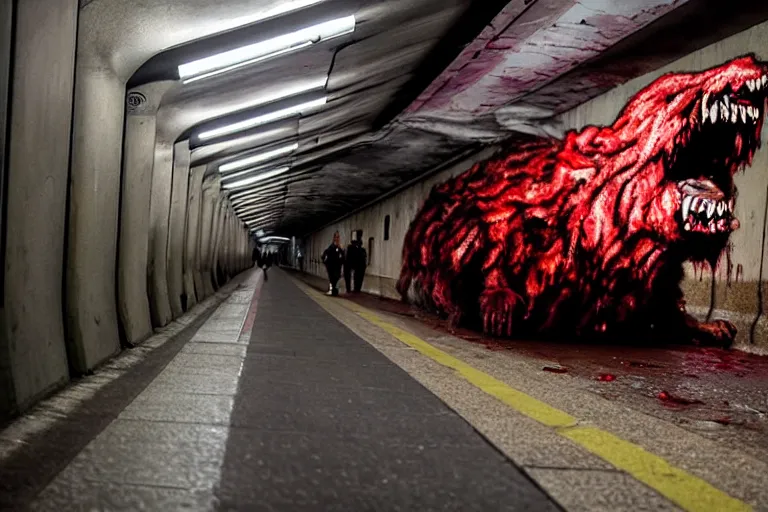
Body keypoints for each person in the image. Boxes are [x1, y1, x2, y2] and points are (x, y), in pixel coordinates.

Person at [322, 231, 345, 296]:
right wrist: (326, 263)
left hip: (337, 266)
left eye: (338, 237)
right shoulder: (331, 246)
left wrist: (341, 262)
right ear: (334, 238)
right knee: (332, 279)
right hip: (331, 266)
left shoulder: (340, 247)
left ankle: (335, 291)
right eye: (336, 237)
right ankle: (332, 291)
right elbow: (325, 254)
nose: (337, 238)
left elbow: (343, 256)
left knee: (336, 278)